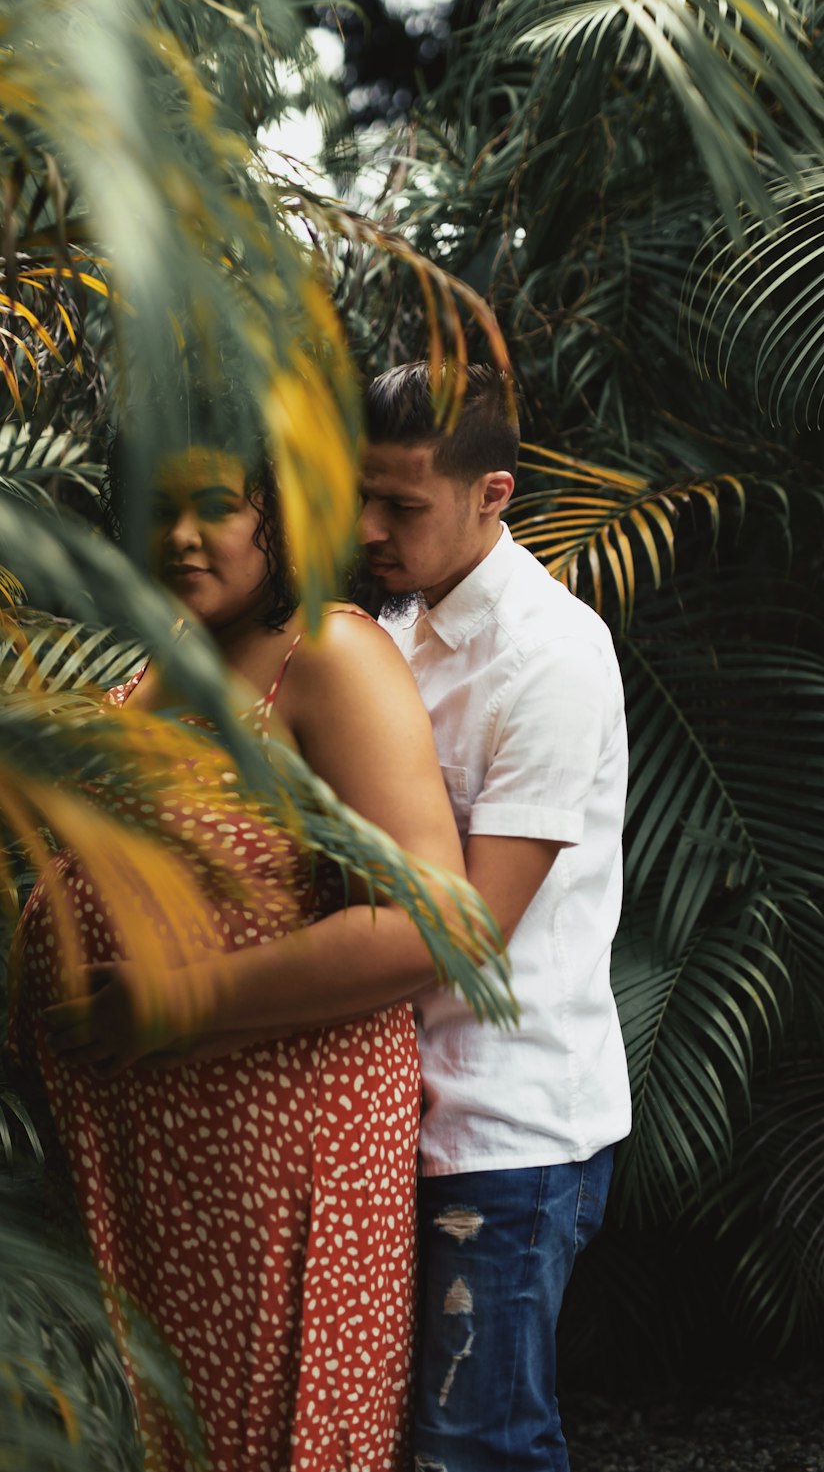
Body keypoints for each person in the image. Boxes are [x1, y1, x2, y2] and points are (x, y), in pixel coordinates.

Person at [7, 431, 469, 1472]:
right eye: (156, 507)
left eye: (214, 506)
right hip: (148, 1167)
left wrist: (182, 1002)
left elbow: (431, 922)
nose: (178, 536)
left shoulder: (329, 653)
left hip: (276, 1162)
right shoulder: (164, 658)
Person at [358, 361, 631, 1472]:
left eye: (404, 507)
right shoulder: (387, 624)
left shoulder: (552, 657)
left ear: (494, 494)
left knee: (480, 1449)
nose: (371, 527)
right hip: (395, 1112)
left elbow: (464, 934)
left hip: (507, 1134)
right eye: (363, 496)